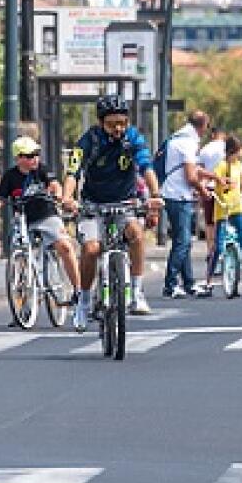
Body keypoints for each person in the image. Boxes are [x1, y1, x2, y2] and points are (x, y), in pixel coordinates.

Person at [61, 94, 163, 330]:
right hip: (93, 204)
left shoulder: (133, 138)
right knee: (91, 249)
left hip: (125, 202)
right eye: (111, 124)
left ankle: (136, 291)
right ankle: (84, 302)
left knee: (136, 234)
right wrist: (67, 198)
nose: (118, 128)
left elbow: (146, 167)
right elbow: (73, 172)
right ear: (100, 122)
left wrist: (155, 195)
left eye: (122, 123)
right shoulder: (89, 141)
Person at [0, 136, 82, 316]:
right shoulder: (10, 176)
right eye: (30, 156)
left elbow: (54, 184)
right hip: (24, 219)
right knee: (19, 252)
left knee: (65, 246)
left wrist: (58, 194)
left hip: (46, 215)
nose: (35, 159)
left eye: (36, 154)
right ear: (19, 158)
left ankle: (79, 291)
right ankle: (23, 299)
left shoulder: (42, 170)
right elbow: (1, 198)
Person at [195, 134, 242, 297]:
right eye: (240, 151)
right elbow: (204, 175)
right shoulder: (221, 166)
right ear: (234, 151)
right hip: (223, 208)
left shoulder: (239, 165)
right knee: (217, 247)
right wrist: (213, 185)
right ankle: (208, 283)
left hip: (237, 207)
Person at [159, 110, 217, 299]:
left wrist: (214, 177)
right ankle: (170, 284)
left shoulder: (179, 137)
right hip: (178, 196)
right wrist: (203, 191)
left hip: (174, 193)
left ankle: (189, 283)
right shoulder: (188, 143)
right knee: (182, 241)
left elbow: (193, 169)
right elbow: (191, 176)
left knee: (183, 241)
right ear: (202, 125)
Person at [197, 127, 228, 259]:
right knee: (224, 220)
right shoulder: (227, 148)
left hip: (208, 188)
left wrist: (199, 190)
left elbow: (200, 171)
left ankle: (211, 251)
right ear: (223, 135)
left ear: (212, 135)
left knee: (209, 222)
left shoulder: (205, 149)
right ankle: (224, 249)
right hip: (225, 188)